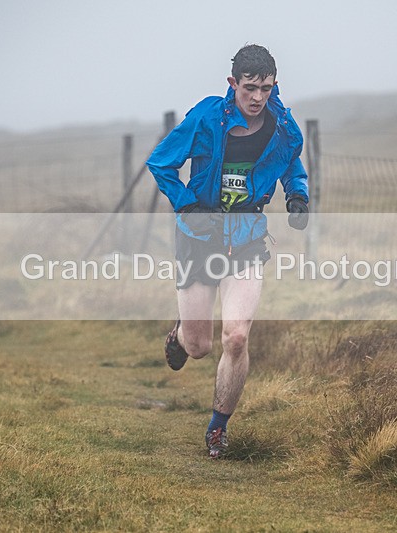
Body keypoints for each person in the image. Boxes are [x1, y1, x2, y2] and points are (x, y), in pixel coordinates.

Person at [146, 44, 309, 459]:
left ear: (275, 86)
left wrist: (297, 195)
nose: (257, 98)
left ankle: (218, 429)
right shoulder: (206, 117)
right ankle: (181, 335)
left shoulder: (282, 124)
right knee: (200, 347)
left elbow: (290, 161)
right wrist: (186, 204)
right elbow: (161, 162)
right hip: (200, 236)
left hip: (248, 235)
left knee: (236, 337)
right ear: (232, 84)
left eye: (266, 89)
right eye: (249, 88)